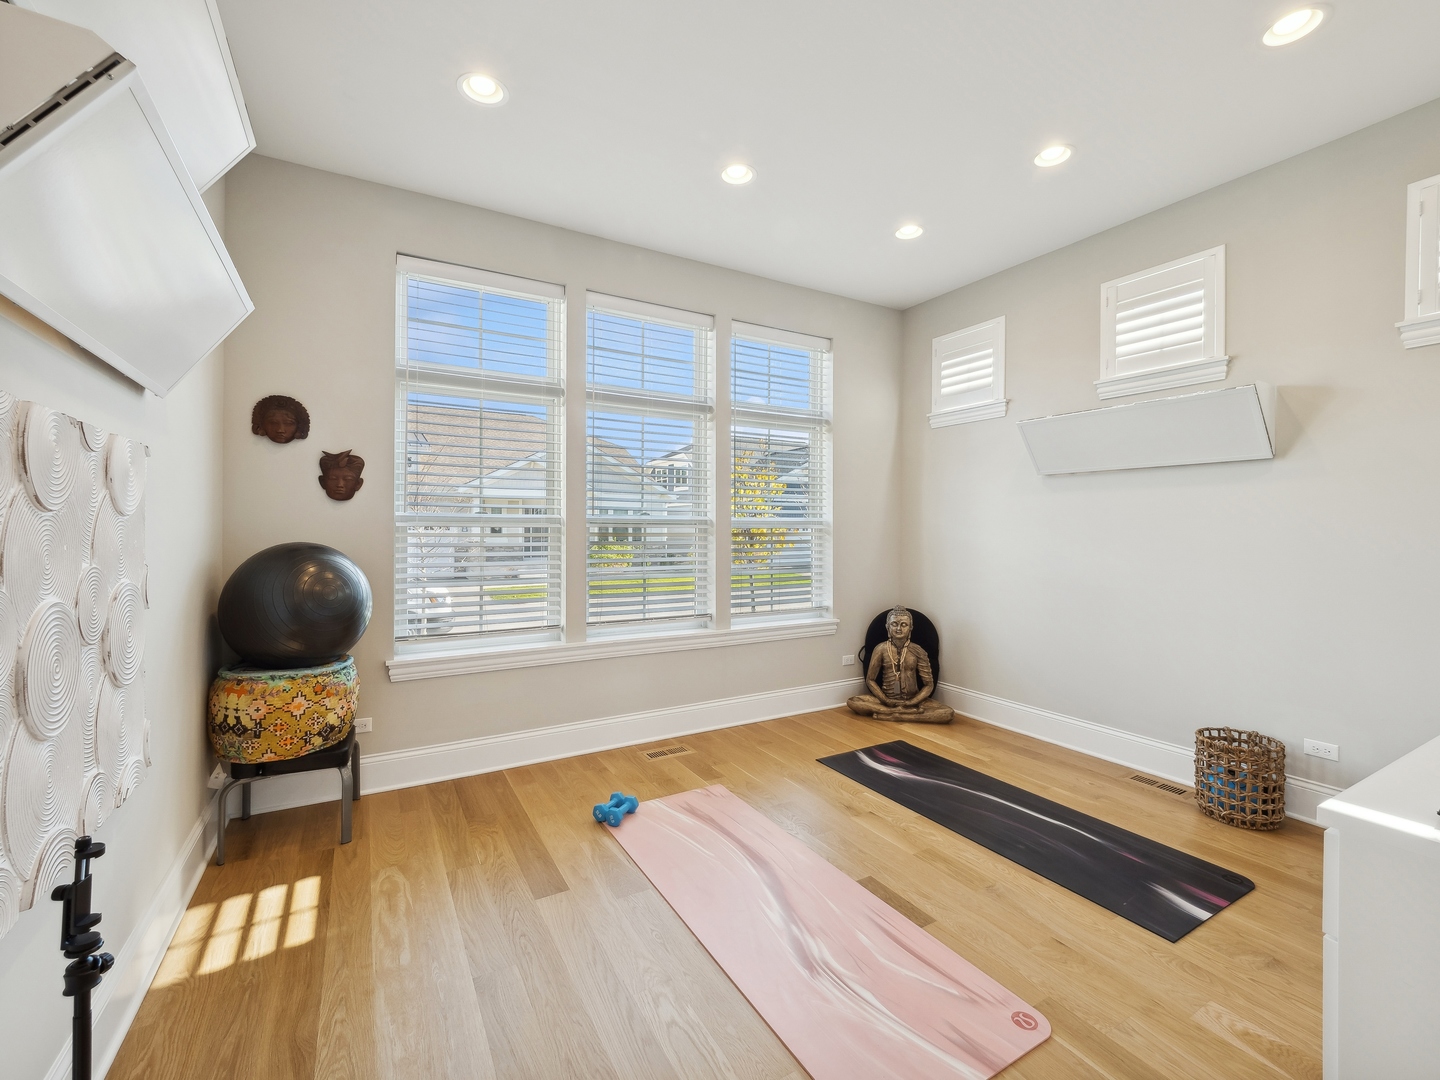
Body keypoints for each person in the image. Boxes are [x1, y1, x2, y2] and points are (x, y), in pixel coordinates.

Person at [846, 606, 953, 723]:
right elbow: (870, 680)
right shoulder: (880, 649)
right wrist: (885, 700)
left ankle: (896, 716)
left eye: (903, 625)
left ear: (910, 628)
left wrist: (912, 702)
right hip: (886, 700)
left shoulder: (918, 651)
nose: (898, 628)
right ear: (888, 627)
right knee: (853, 701)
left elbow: (929, 685)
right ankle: (899, 713)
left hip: (914, 700)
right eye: (894, 624)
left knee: (947, 713)